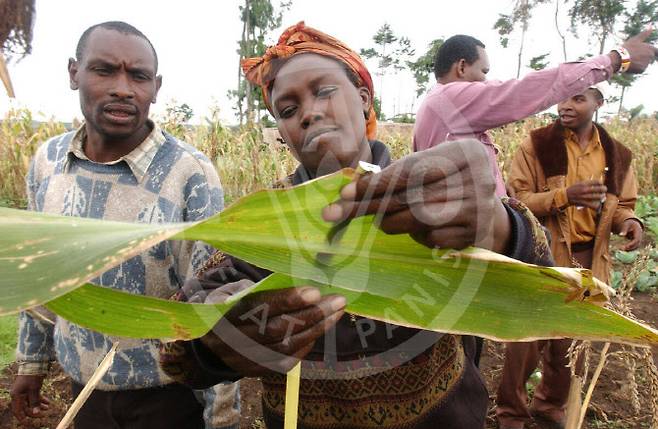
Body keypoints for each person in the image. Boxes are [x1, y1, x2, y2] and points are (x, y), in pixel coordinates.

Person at [159, 22, 554, 429]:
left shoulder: (431, 194)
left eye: (325, 91)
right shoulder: (266, 220)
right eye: (288, 110)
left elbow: (547, 278)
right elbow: (176, 346)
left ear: (364, 99)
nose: (309, 113)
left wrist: (498, 223)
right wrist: (215, 343)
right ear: (283, 132)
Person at [10, 21, 238, 429]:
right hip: (84, 393)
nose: (122, 88)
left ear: (156, 87)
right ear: (73, 73)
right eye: (104, 70)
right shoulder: (48, 163)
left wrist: (222, 418)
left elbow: (211, 305)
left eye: (138, 76)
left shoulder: (190, 173)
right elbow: (38, 273)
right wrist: (32, 361)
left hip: (167, 399)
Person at [497, 84, 643, 429]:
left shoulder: (617, 154)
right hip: (544, 255)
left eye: (578, 98)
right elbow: (516, 200)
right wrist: (565, 196)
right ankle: (511, 416)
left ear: (598, 102)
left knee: (569, 346)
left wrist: (630, 221)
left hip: (590, 261)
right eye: (563, 97)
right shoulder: (536, 145)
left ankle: (549, 408)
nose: (566, 105)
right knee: (526, 341)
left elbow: (622, 205)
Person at [413, 32, 658, 198]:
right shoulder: (452, 97)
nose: (487, 79)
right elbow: (526, 90)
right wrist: (617, 59)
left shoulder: (436, 104)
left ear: (599, 105)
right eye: (483, 71)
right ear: (462, 67)